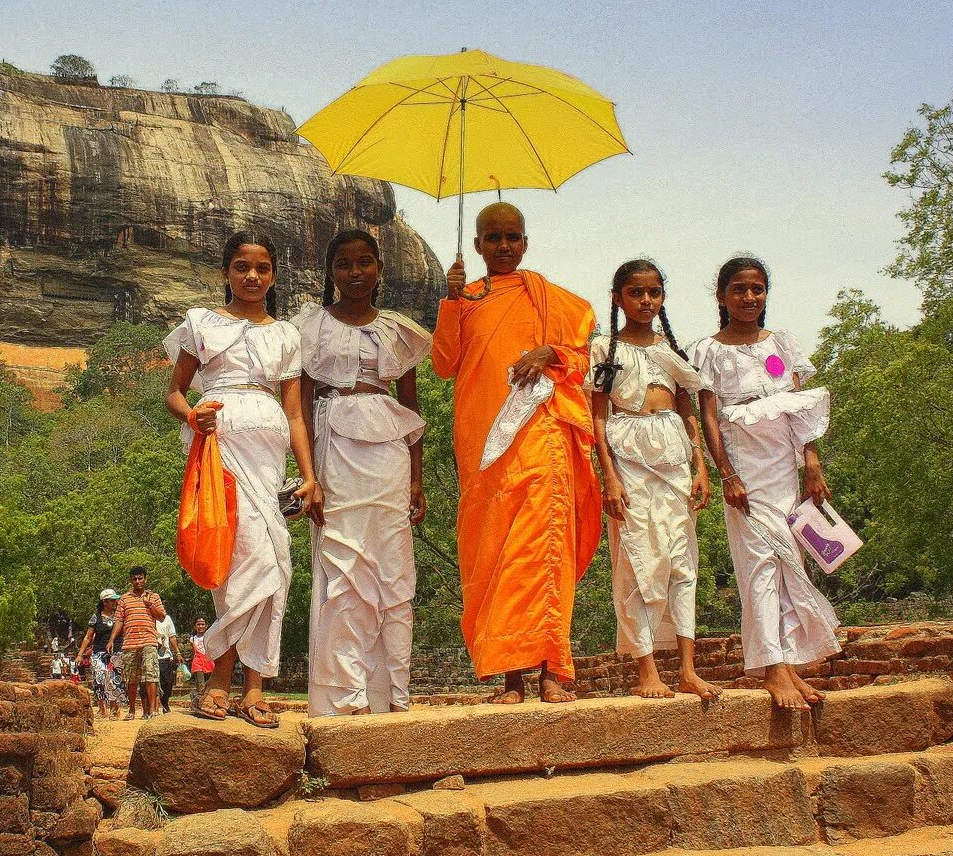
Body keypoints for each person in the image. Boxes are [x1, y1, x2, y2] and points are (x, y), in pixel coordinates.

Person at [430, 202, 603, 704]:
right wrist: (450, 299)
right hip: (484, 445)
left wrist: (550, 353)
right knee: (496, 552)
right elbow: (444, 364)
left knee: (543, 546)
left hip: (542, 435)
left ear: (525, 243)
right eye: (493, 237)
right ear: (478, 245)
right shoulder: (467, 298)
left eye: (512, 237)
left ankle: (552, 669)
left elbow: (582, 356)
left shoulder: (551, 299)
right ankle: (510, 677)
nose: (503, 246)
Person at [165, 230, 322, 728]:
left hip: (270, 444)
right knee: (238, 555)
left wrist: (310, 475)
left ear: (273, 275)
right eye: (241, 267)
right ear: (226, 272)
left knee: (276, 564)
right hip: (220, 444)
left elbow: (296, 414)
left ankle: (253, 688)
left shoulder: (286, 334)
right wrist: (192, 417)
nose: (252, 277)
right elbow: (174, 393)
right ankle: (216, 678)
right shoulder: (201, 323)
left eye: (262, 269)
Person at [689, 255, 840, 712]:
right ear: (721, 296)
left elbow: (800, 407)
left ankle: (789, 661)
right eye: (739, 289)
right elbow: (709, 418)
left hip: (783, 464)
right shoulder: (708, 350)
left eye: (757, 289)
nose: (749, 297)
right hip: (744, 466)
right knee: (758, 561)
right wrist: (726, 474)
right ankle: (770, 666)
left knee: (790, 558)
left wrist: (811, 462)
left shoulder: (783, 343)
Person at [295, 229, 431, 716]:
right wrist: (308, 475)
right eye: (345, 264)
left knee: (392, 570)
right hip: (335, 452)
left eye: (365, 262)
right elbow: (302, 403)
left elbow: (411, 406)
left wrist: (417, 479)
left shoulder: (399, 330)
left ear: (380, 270)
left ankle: (390, 697)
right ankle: (341, 701)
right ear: (331, 274)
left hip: (389, 456)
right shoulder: (310, 327)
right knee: (343, 568)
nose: (355, 272)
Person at [589, 259, 721, 701]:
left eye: (654, 293)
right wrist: (608, 475)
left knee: (682, 561)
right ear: (617, 298)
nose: (646, 301)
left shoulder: (671, 350)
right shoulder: (605, 350)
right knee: (635, 560)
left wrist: (700, 464)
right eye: (636, 293)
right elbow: (598, 415)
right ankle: (646, 670)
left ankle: (687, 668)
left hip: (674, 457)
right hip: (628, 457)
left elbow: (686, 407)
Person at [109, 565, 167, 719]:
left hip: (149, 640)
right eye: (134, 579)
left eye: (140, 578)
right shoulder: (124, 599)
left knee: (151, 675)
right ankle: (132, 710)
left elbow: (161, 617)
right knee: (131, 678)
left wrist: (150, 606)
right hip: (129, 643)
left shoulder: (153, 597)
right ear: (131, 580)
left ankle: (153, 710)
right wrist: (112, 639)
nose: (137, 581)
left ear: (145, 579)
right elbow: (119, 620)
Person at [72, 590, 122, 719]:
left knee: (113, 679)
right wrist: (80, 654)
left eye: (115, 600)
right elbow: (88, 637)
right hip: (98, 652)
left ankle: (114, 709)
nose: (114, 602)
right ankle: (101, 709)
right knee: (100, 678)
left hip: (116, 651)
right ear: (104, 602)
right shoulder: (96, 617)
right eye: (111, 600)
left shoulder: (119, 616)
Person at [156, 610, 182, 713]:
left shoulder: (167, 619)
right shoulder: (147, 617)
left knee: (168, 682)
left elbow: (172, 636)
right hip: (151, 654)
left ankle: (165, 701)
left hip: (166, 655)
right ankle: (153, 707)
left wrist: (178, 652)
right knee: (152, 682)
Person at [187, 616, 214, 695]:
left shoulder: (210, 637)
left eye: (202, 624)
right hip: (198, 663)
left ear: (206, 626)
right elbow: (193, 652)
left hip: (209, 661)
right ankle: (201, 701)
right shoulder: (192, 639)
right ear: (195, 626)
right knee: (200, 684)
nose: (200, 626)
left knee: (210, 683)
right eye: (198, 624)